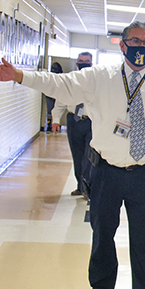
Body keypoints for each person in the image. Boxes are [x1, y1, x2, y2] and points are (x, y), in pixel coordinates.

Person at [0, 21, 145, 289]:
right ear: (123, 44)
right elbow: (59, 84)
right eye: (135, 41)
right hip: (105, 172)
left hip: (144, 174)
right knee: (102, 236)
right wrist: (19, 76)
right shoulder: (99, 77)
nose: (141, 47)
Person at [51, 52, 93, 197]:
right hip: (73, 121)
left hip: (91, 122)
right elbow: (60, 101)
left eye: (86, 61)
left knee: (89, 156)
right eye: (81, 61)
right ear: (77, 64)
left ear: (91, 64)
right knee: (77, 156)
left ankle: (88, 188)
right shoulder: (70, 81)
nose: (83, 63)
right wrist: (56, 119)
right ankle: (80, 186)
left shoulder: (96, 82)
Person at [44, 62, 63, 132]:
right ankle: (50, 125)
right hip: (50, 96)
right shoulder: (49, 77)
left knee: (57, 110)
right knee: (50, 112)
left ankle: (56, 125)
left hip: (57, 95)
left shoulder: (61, 77)